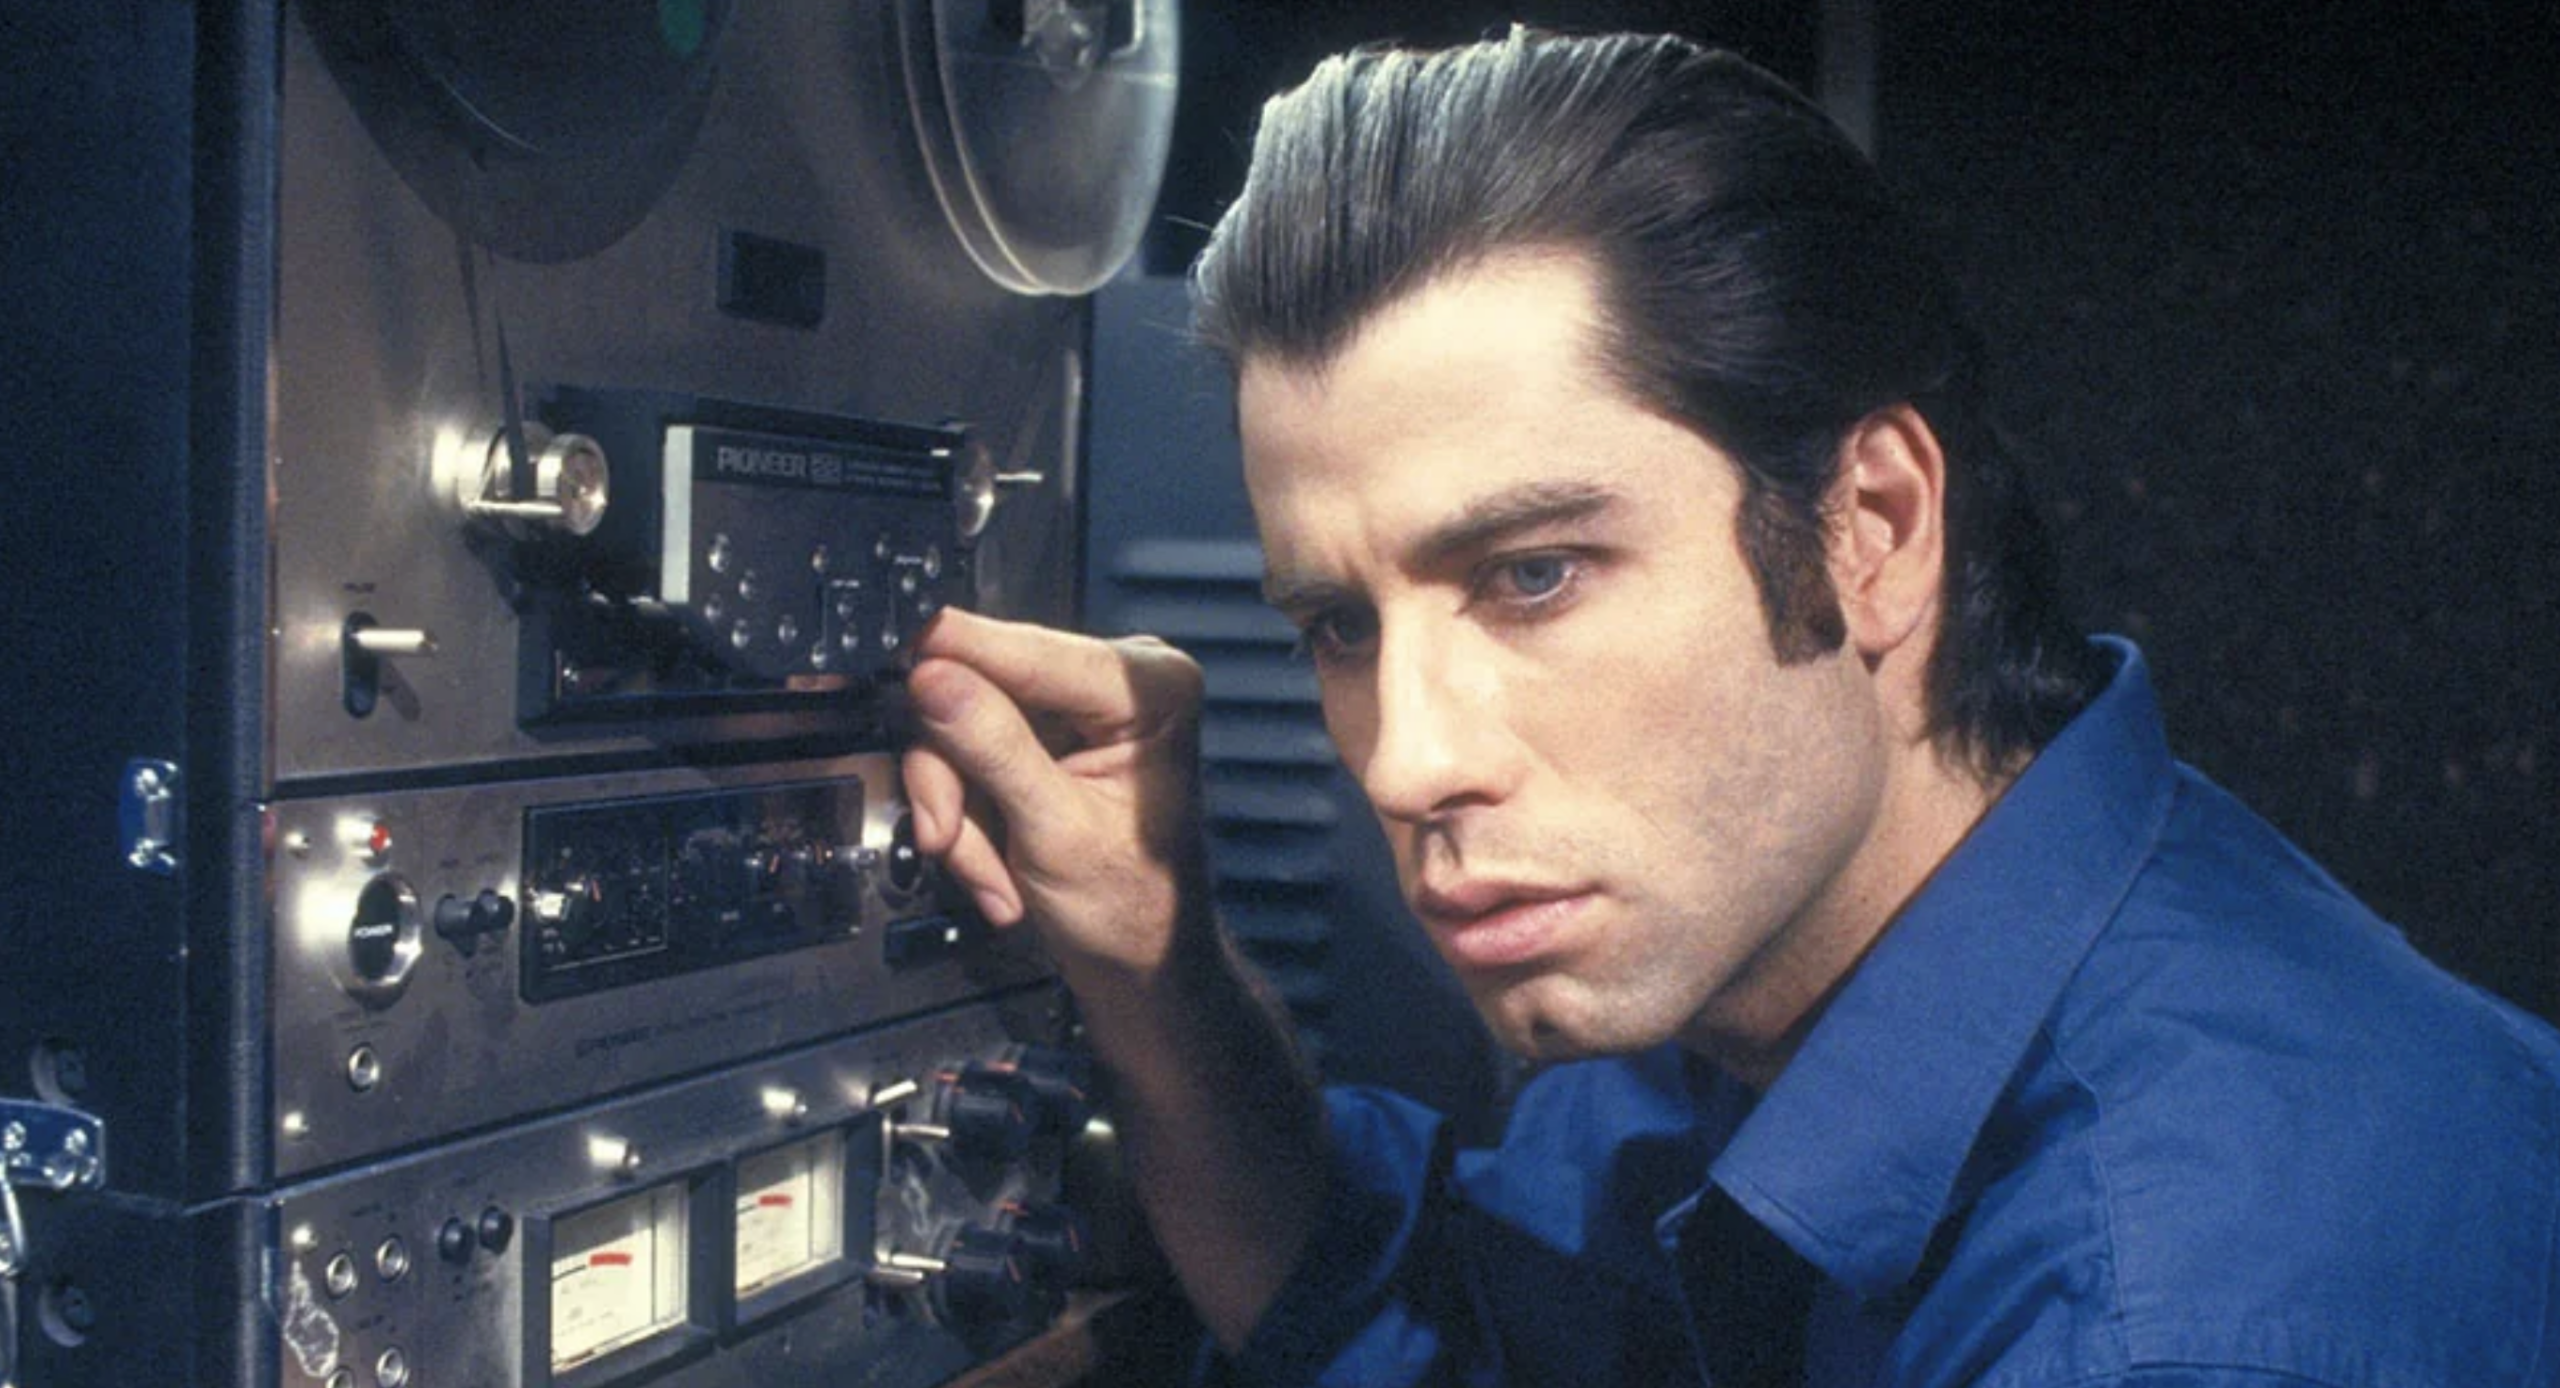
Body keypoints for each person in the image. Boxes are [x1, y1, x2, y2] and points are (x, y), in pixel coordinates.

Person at [900, 27, 2560, 1387]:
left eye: (1533, 576)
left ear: (1872, 532)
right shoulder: (1744, 964)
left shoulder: (2166, 1320)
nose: (1407, 760)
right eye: (1339, 623)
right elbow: (1430, 1324)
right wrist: (1158, 963)